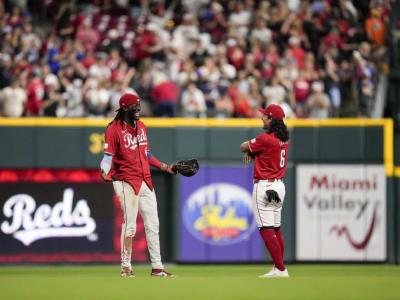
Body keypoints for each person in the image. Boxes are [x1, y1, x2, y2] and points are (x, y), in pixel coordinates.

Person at [100, 92, 175, 278]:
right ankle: (126, 267)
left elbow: (147, 155)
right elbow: (107, 157)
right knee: (130, 226)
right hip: (126, 181)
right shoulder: (113, 129)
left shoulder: (142, 126)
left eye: (139, 107)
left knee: (153, 225)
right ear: (125, 108)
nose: (139, 110)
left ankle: (157, 267)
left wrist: (165, 167)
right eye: (135, 107)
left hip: (145, 180)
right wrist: (104, 171)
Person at [240, 104, 290, 278]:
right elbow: (266, 152)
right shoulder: (283, 139)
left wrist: (251, 152)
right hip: (279, 186)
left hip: (264, 186)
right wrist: (255, 154)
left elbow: (243, 146)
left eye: (265, 116)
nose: (262, 117)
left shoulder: (265, 139)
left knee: (266, 230)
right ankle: (279, 268)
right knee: (276, 229)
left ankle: (281, 269)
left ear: (272, 120)